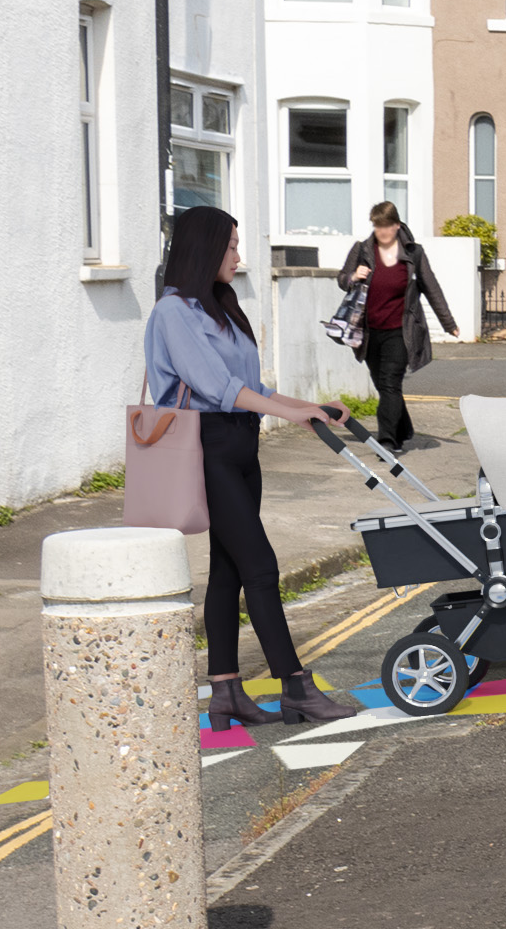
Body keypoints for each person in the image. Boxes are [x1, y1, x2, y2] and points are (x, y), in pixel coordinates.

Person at [146, 205, 360, 733]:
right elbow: (217, 389)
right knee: (261, 568)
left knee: (230, 572)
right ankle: (296, 688)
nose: (239, 256)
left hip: (242, 446)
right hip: (208, 449)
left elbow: (252, 388)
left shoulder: (221, 306)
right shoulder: (173, 313)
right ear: (205, 248)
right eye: (232, 246)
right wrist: (292, 413)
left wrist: (308, 408)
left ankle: (226, 696)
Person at [333, 203, 460, 452]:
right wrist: (353, 277)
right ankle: (404, 429)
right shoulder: (362, 250)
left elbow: (432, 289)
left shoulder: (414, 253)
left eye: (386, 226)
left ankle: (387, 440)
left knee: (391, 383)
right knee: (382, 384)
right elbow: (342, 279)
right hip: (368, 333)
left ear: (396, 225)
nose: (382, 231)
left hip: (401, 332)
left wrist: (449, 324)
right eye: (377, 226)